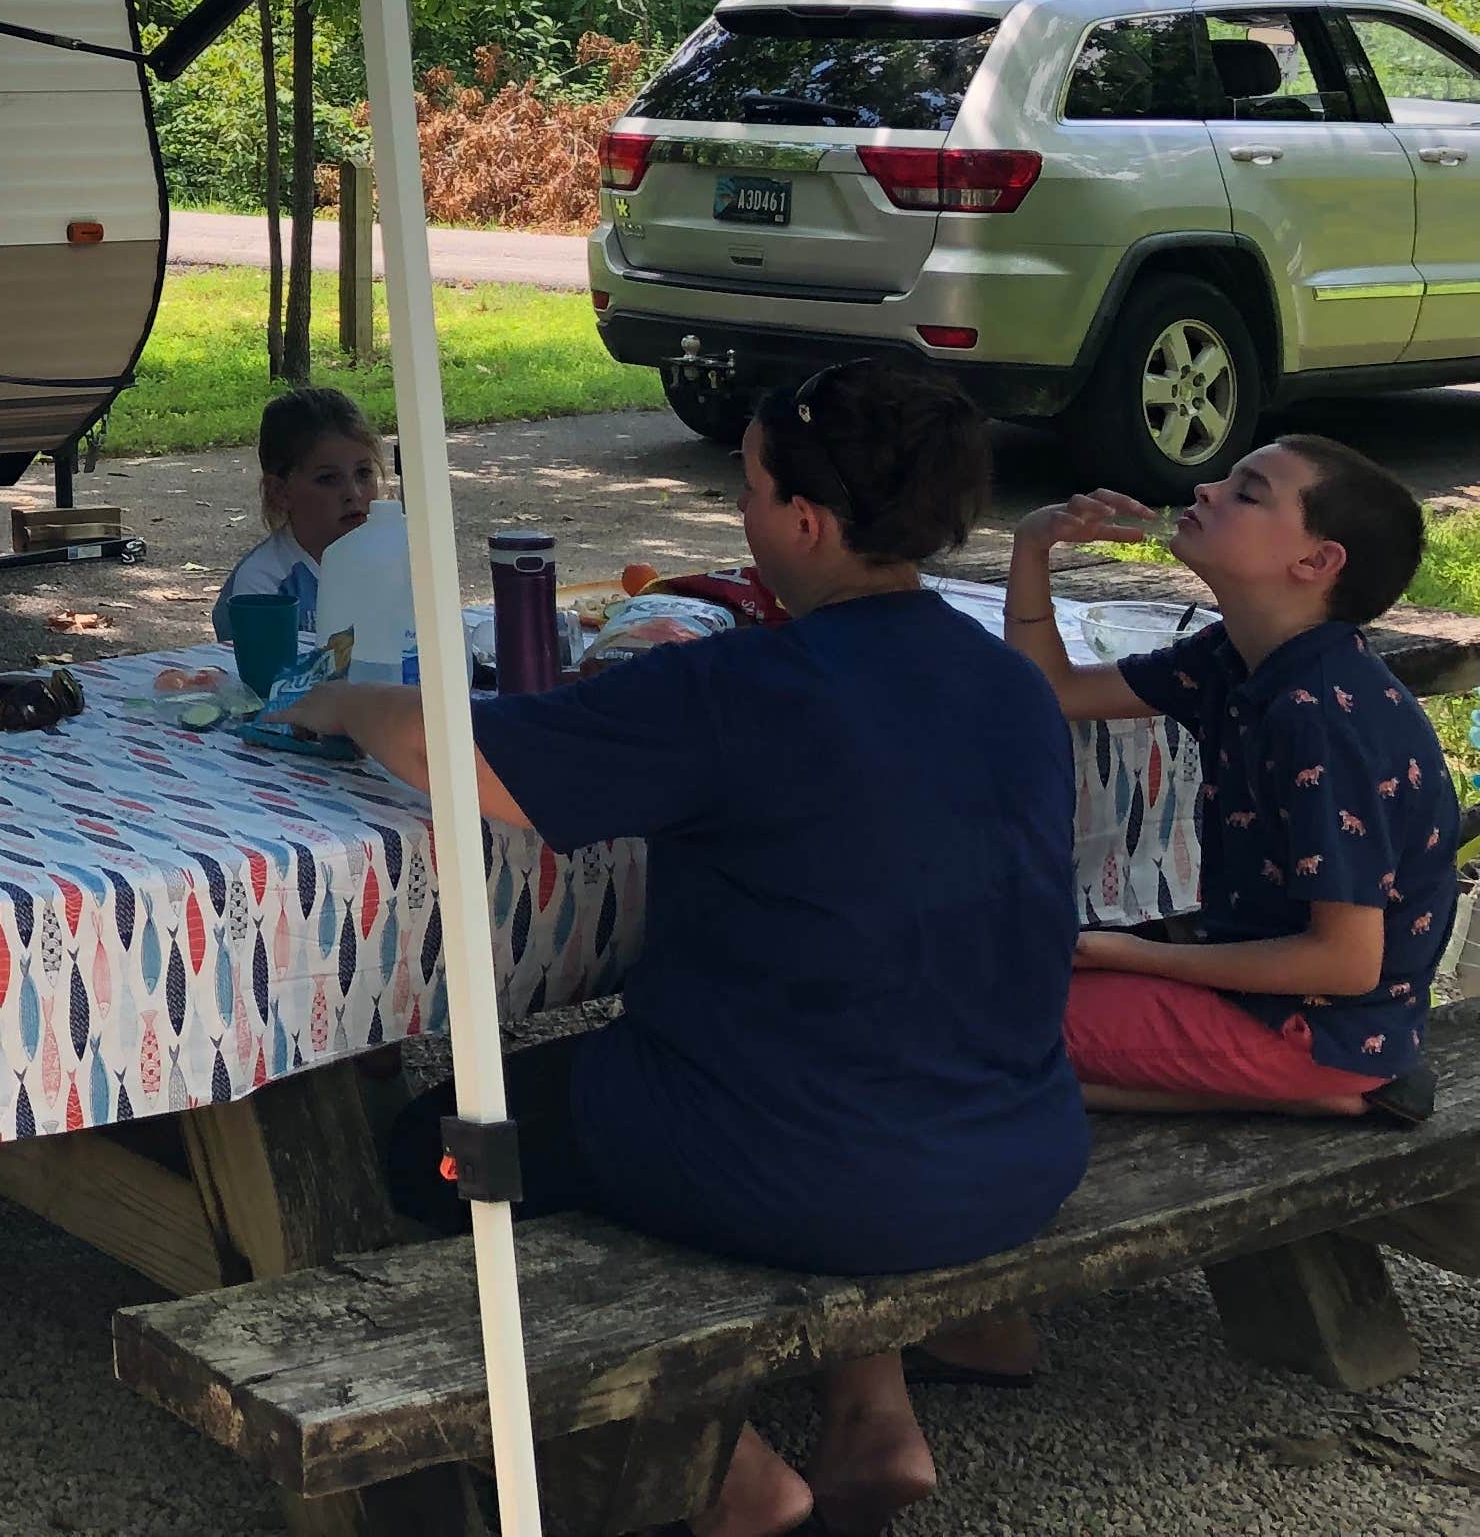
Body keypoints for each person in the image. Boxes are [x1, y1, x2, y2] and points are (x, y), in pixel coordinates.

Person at [289, 359, 1085, 1537]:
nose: (742, 515)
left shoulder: (745, 686)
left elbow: (460, 754)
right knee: (855, 1042)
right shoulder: (1008, 683)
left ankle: (728, 1470)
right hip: (1017, 1145)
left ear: (807, 524)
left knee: (439, 1151)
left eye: (753, 491)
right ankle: (876, 1409)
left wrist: (340, 703)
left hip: (791, 1162)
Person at [1005, 436, 1458, 1122]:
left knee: (992, 1020)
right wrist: (1032, 547)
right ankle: (1320, 1096)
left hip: (1317, 1028)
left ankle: (1328, 1092)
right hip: (1264, 998)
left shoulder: (1320, 717)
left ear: (1316, 561)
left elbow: (1346, 965)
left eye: (1247, 493)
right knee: (1002, 992)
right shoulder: (1237, 656)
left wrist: (1130, 952)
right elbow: (1052, 688)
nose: (1208, 491)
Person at [215, 385, 380, 638]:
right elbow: (268, 676)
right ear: (280, 492)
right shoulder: (263, 585)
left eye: (364, 473)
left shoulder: (389, 562)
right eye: (328, 479)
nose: (354, 494)